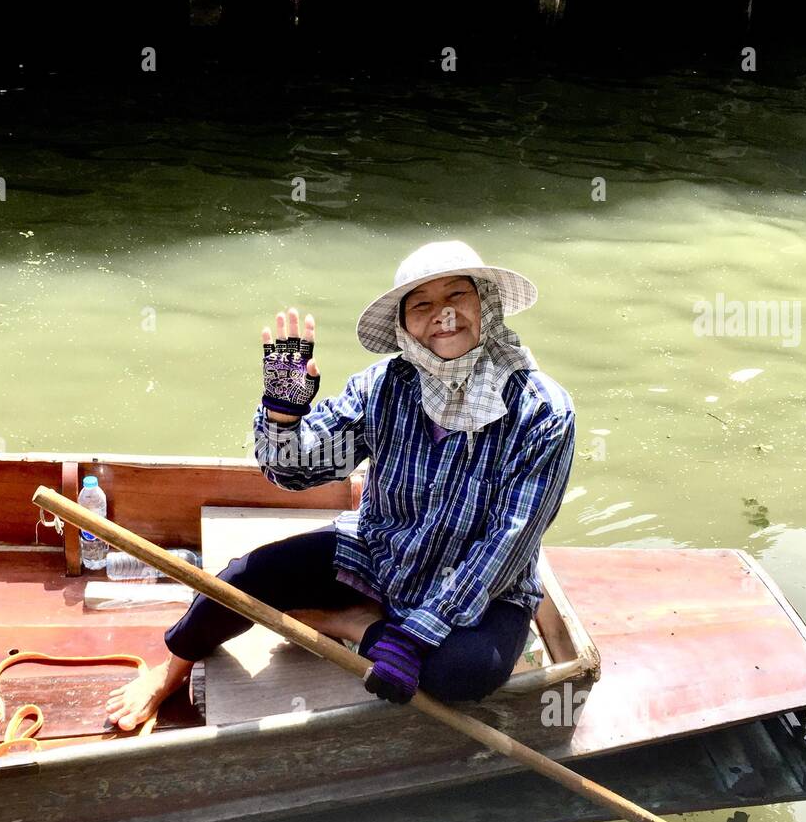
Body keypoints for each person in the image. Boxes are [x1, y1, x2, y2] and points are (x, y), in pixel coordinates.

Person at [105, 240, 576, 730]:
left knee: (462, 674)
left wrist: (413, 638)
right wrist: (284, 410)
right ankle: (172, 669)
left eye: (457, 296)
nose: (443, 315)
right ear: (404, 325)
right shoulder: (384, 386)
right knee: (242, 579)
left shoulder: (544, 411)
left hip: (481, 587)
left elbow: (508, 542)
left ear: (487, 304)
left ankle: (351, 622)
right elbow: (296, 471)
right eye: (422, 304)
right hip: (381, 554)